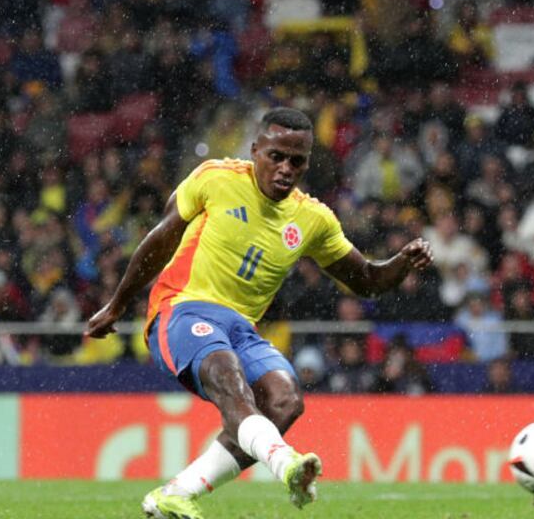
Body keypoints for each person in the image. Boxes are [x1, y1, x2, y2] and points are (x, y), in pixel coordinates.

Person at [86, 107, 434, 519]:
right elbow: (160, 239)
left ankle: (175, 494)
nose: (286, 168)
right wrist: (117, 304)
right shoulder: (216, 178)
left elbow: (366, 281)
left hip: (240, 330)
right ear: (255, 151)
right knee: (226, 371)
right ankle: (286, 464)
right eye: (276, 156)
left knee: (285, 400)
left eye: (296, 161)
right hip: (181, 309)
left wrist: (401, 262)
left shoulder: (313, 219)